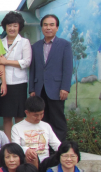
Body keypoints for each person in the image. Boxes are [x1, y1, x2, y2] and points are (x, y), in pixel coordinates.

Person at [29, 14, 73, 142]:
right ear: (42, 27)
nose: (48, 28)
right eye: (45, 25)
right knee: (41, 119)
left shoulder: (64, 45)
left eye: (52, 25)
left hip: (57, 89)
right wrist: (32, 89)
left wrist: (65, 88)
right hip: (39, 89)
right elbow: (33, 69)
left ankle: (58, 148)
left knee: (57, 119)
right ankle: (44, 147)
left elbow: (68, 68)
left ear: (57, 28)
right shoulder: (35, 46)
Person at [0, 11, 32, 140]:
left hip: (19, 83)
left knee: (19, 115)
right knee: (7, 116)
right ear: (5, 27)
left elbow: (26, 62)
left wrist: (6, 62)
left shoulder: (24, 42)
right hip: (3, 83)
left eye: (15, 25)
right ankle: (8, 143)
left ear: (19, 27)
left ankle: (19, 143)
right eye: (9, 25)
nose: (12, 28)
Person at [11, 96, 61, 163]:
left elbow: (56, 144)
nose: (39, 118)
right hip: (27, 162)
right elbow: (16, 148)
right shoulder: (16, 127)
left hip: (45, 161)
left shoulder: (46, 126)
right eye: (35, 115)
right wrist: (26, 150)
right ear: (27, 112)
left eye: (41, 114)